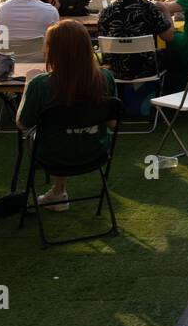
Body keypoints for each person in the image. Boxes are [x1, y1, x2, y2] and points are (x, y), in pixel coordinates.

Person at [16, 20, 118, 210]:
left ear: (55, 50)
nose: (44, 49)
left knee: (54, 137)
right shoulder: (105, 78)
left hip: (52, 154)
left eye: (46, 44)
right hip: (96, 151)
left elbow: (23, 123)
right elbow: (112, 124)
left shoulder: (40, 84)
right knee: (67, 134)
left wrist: (28, 86)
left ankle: (58, 192)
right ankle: (58, 191)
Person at [97, 0, 175, 113]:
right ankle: (167, 103)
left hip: (115, 68)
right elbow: (168, 36)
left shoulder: (106, 12)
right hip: (146, 67)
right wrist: (165, 11)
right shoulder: (149, 8)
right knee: (174, 55)